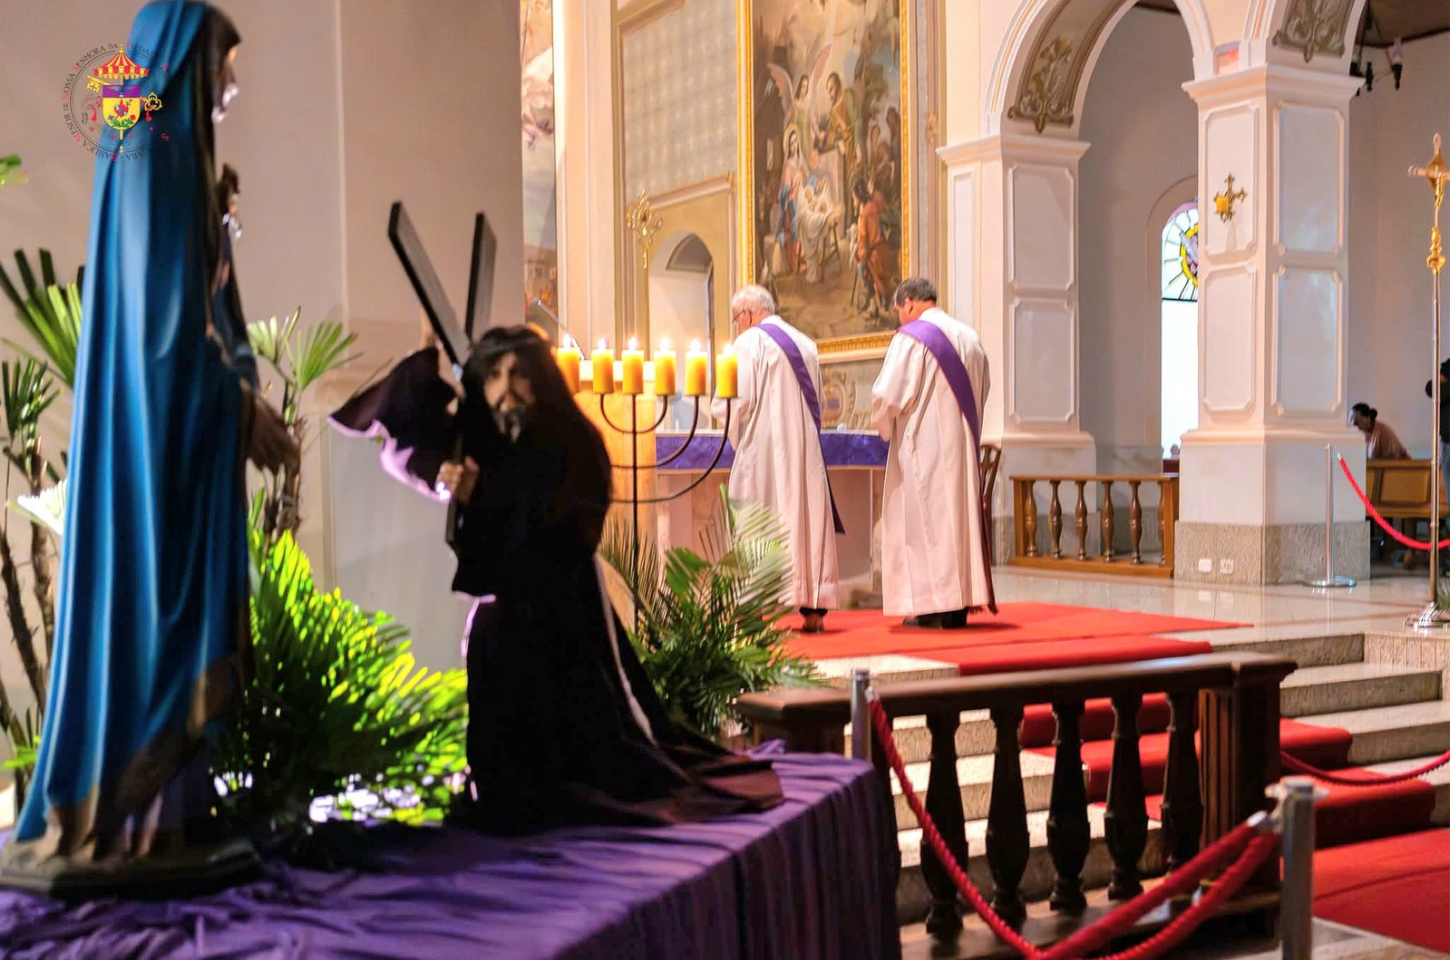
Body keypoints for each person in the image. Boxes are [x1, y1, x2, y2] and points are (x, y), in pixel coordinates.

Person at [1, 1, 297, 890]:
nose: (233, 85)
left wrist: (238, 383)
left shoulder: (171, 160)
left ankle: (165, 821)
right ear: (182, 58)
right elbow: (162, 334)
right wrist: (238, 410)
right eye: (224, 63)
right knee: (151, 620)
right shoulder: (151, 156)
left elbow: (208, 314)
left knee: (161, 623)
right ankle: (130, 828)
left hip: (171, 446)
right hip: (157, 446)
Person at [330, 326, 783, 831]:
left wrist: (487, 494)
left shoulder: (575, 442)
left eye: (519, 374)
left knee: (594, 741)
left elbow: (564, 529)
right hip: (503, 616)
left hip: (566, 608)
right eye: (495, 375)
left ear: (541, 380)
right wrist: (443, 471)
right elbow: (412, 441)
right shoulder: (478, 436)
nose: (506, 388)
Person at [712, 285, 841, 634]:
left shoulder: (748, 343)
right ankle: (813, 608)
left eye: (737, 319)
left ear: (749, 314)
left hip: (762, 449)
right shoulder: (807, 344)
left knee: (756, 518)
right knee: (804, 520)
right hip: (804, 449)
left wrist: (720, 415)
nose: (738, 327)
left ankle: (749, 608)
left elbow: (734, 403)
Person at [871, 278, 995, 629]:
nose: (900, 318)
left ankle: (934, 607)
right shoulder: (969, 338)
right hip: (962, 448)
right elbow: (982, 390)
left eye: (899, 310)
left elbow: (887, 398)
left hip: (924, 448)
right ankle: (957, 606)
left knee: (926, 525)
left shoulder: (911, 339)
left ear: (908, 303)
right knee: (956, 524)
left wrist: (883, 426)